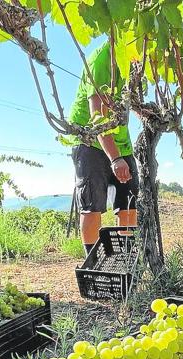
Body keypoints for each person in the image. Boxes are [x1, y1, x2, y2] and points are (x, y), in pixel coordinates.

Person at [68, 41, 139, 255]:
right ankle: (93, 261)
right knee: (92, 205)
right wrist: (115, 159)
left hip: (120, 142)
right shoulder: (102, 60)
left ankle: (124, 258)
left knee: (129, 202)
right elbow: (97, 117)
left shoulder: (133, 62)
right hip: (90, 140)